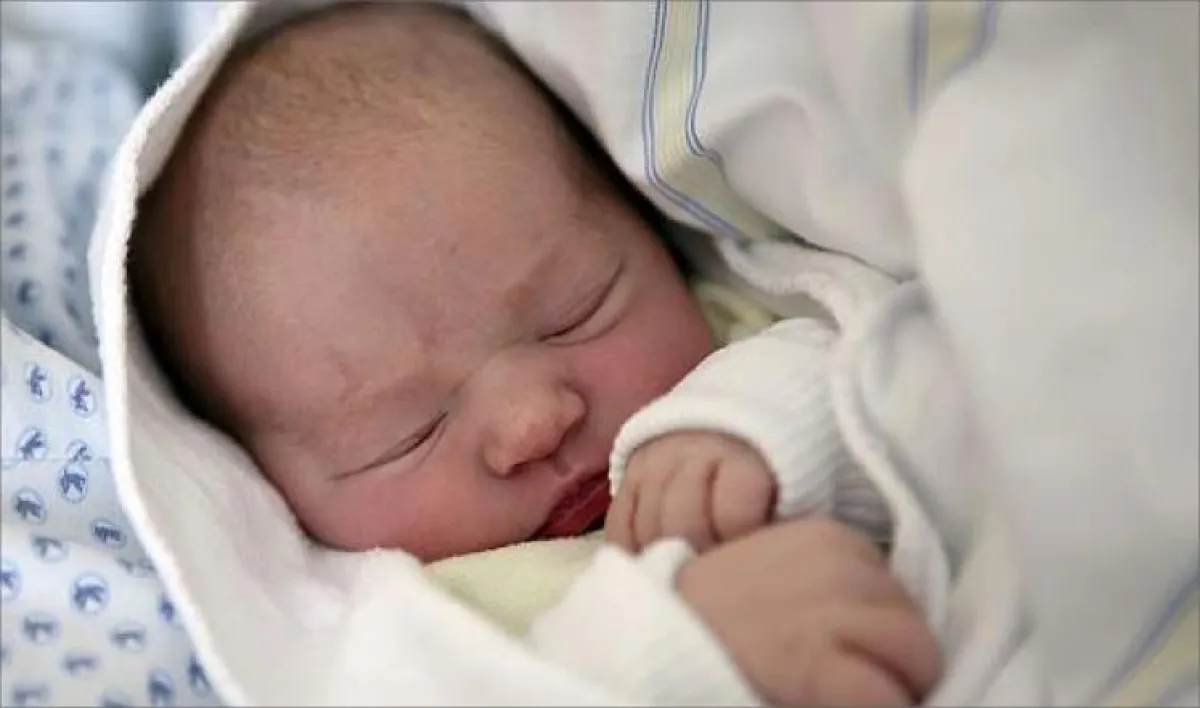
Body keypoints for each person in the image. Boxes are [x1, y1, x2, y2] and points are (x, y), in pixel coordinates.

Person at [127, 3, 941, 706]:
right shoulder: (397, 624)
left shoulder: (743, 337)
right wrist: (675, 651)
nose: (533, 424)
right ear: (269, 492)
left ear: (644, 228)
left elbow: (919, 379)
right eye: (407, 433)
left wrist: (762, 430)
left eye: (575, 314)